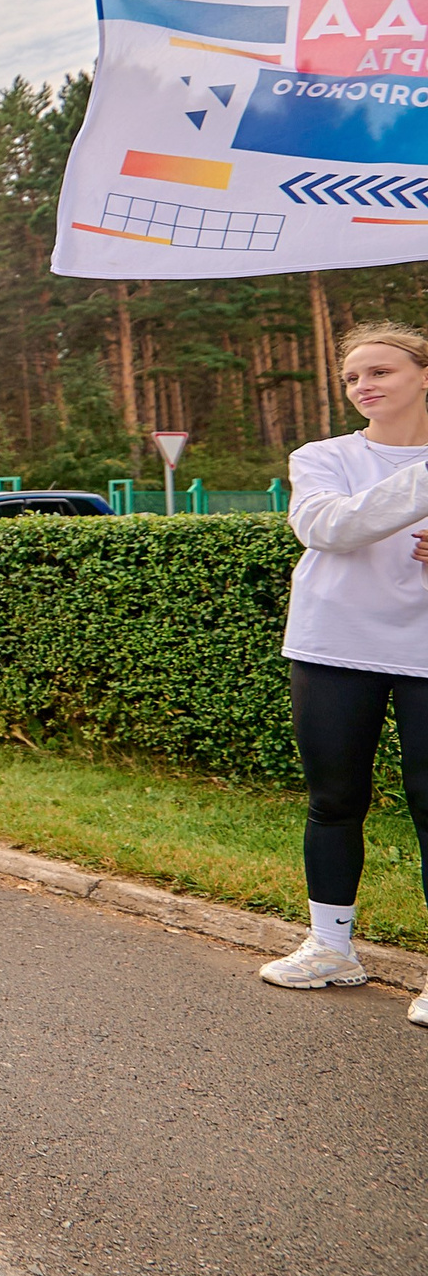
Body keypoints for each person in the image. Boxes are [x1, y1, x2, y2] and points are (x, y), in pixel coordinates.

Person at [257, 324, 428, 1028]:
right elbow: (329, 527)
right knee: (333, 798)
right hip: (333, 644)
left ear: (424, 374)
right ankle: (331, 949)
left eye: (380, 370)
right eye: (352, 378)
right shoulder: (322, 456)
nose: (364, 387)